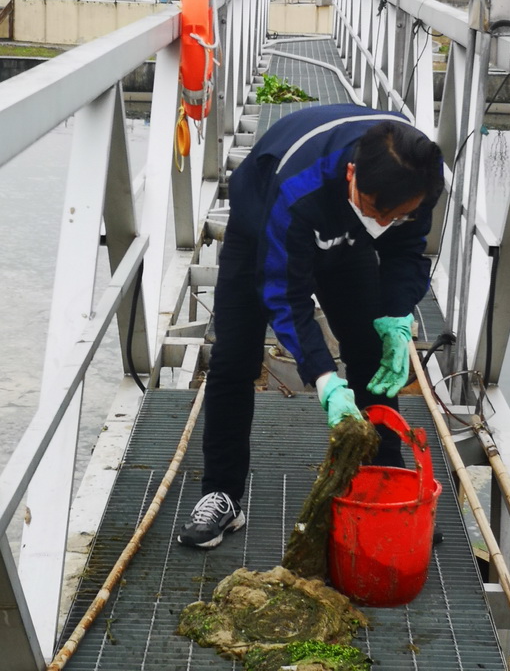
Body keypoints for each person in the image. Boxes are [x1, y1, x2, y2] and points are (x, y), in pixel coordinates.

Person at [178, 103, 444, 549]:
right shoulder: (297, 186)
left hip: (347, 241)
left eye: (396, 215)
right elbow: (285, 294)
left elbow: (406, 249)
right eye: (377, 210)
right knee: (233, 359)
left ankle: (385, 482)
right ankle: (221, 493)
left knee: (371, 351)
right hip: (262, 230)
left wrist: (397, 316)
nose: (384, 224)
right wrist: (322, 377)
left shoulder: (419, 177)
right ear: (352, 174)